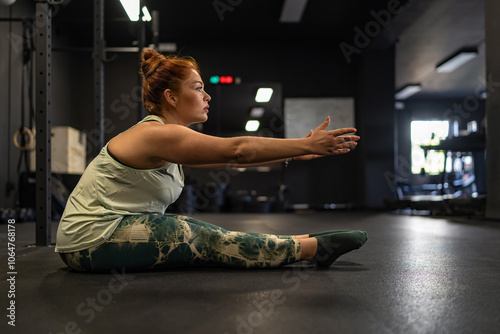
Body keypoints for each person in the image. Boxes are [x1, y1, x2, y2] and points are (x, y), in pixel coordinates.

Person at [55, 49, 367, 272]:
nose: (207, 97)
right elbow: (238, 149)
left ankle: (304, 240)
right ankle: (311, 249)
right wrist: (302, 143)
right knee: (193, 235)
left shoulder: (170, 145)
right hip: (90, 239)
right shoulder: (156, 134)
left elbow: (231, 160)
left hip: (114, 230)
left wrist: (299, 150)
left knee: (192, 231)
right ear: (171, 97)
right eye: (198, 88)